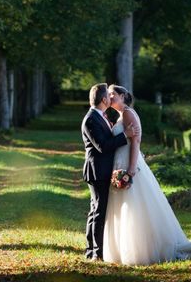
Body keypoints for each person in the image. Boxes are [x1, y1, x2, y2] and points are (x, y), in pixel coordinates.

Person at [103, 84, 191, 265]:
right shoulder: (120, 115)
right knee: (124, 207)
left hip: (129, 166)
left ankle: (142, 251)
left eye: (113, 94)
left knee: (134, 206)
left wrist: (130, 170)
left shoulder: (128, 113)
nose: (110, 97)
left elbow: (135, 143)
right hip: (119, 165)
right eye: (109, 95)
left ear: (122, 96)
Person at [81, 83, 139, 261]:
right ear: (104, 99)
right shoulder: (91, 119)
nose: (111, 97)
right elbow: (103, 146)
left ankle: (92, 249)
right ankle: (96, 252)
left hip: (103, 170)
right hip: (97, 171)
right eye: (109, 95)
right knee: (98, 211)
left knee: (96, 210)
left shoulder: (101, 116)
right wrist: (125, 135)